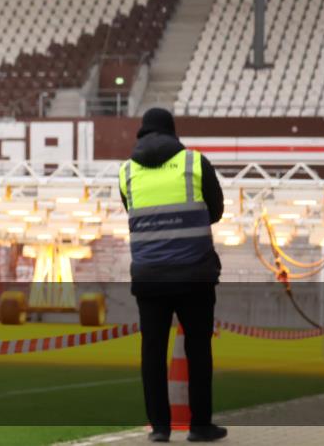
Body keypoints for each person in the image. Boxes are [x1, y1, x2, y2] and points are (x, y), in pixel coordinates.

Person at [118, 108, 228, 443]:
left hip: (149, 276)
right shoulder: (195, 163)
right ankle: (200, 426)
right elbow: (217, 210)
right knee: (198, 350)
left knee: (152, 351)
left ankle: (160, 428)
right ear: (172, 132)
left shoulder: (126, 171)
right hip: (194, 273)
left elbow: (134, 212)